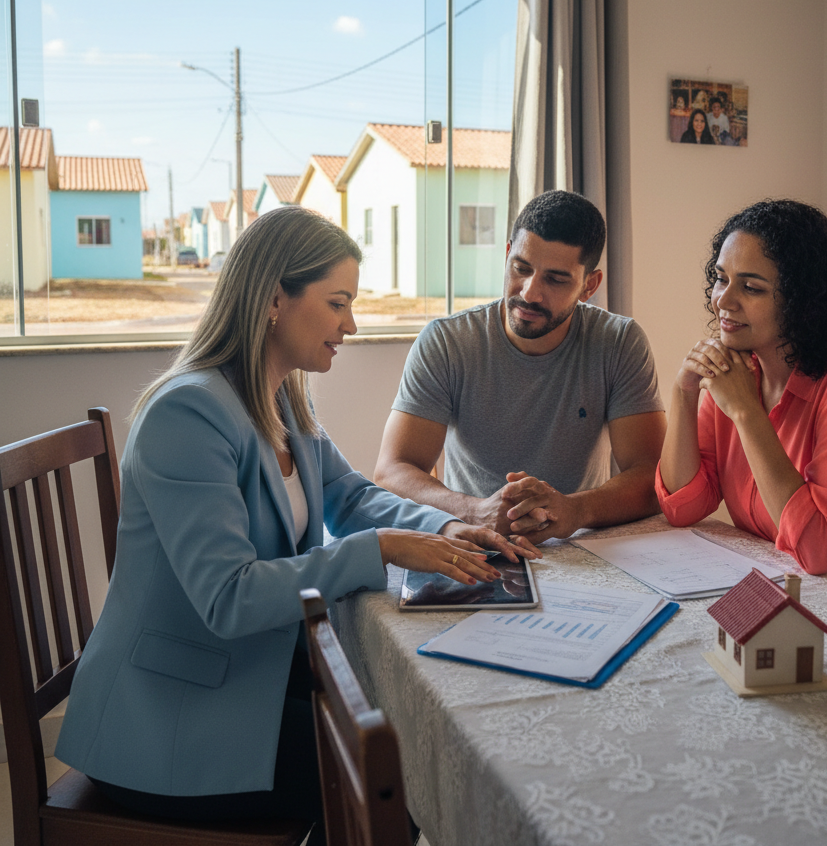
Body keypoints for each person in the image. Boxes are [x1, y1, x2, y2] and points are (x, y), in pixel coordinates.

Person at [56, 207, 536, 844]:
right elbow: (229, 597)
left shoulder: (278, 394)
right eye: (337, 302)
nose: (352, 325)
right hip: (166, 724)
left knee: (405, 743)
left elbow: (346, 493)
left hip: (244, 683)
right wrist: (384, 549)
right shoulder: (188, 415)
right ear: (274, 298)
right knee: (409, 780)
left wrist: (439, 530)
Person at [374, 189, 666, 544]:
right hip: (474, 541)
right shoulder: (447, 342)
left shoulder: (619, 342)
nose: (529, 293)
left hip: (581, 544)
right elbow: (392, 471)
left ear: (589, 285)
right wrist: (473, 510)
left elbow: (652, 477)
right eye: (521, 268)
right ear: (508, 252)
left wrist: (574, 510)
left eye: (556, 279)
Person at [657, 199, 827, 576]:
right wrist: (684, 393)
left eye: (750, 287)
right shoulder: (738, 367)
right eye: (720, 278)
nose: (723, 301)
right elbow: (682, 507)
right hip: (778, 577)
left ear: (803, 302)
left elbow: (818, 549)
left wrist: (746, 413)